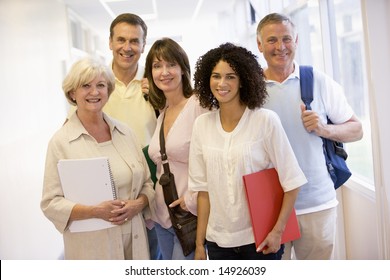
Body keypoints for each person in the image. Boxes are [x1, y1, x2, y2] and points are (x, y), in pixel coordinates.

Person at [256, 13, 363, 260]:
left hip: (317, 204)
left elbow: (356, 129)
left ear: (296, 40)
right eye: (272, 40)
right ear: (260, 45)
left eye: (286, 39)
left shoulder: (317, 81)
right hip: (269, 208)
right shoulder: (252, 89)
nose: (280, 47)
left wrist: (324, 129)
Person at [189, 43, 307, 260]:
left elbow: (292, 182)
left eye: (230, 76)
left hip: (260, 240)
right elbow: (203, 192)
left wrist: (277, 231)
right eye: (216, 76)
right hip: (217, 243)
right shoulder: (201, 125)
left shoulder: (265, 120)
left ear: (243, 80)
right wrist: (199, 245)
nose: (222, 83)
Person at [40, 57, 155, 259]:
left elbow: (147, 183)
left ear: (108, 91)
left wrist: (138, 204)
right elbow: (50, 203)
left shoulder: (126, 133)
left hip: (134, 241)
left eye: (101, 85)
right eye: (86, 86)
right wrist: (95, 211)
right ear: (72, 93)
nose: (94, 92)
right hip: (92, 247)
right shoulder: (61, 142)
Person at [145, 37, 209, 260]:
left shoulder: (199, 105)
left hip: (190, 216)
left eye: (171, 64)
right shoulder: (162, 112)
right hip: (163, 217)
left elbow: (215, 159)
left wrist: (192, 198)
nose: (164, 72)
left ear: (183, 69)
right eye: (157, 65)